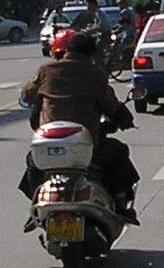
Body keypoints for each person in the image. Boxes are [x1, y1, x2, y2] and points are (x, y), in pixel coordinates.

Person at [19, 30, 141, 221]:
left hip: (50, 149)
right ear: (91, 54)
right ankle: (119, 203)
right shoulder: (95, 75)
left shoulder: (46, 70)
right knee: (119, 152)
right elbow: (111, 106)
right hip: (86, 148)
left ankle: (37, 202)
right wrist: (124, 119)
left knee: (32, 161)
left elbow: (26, 95)